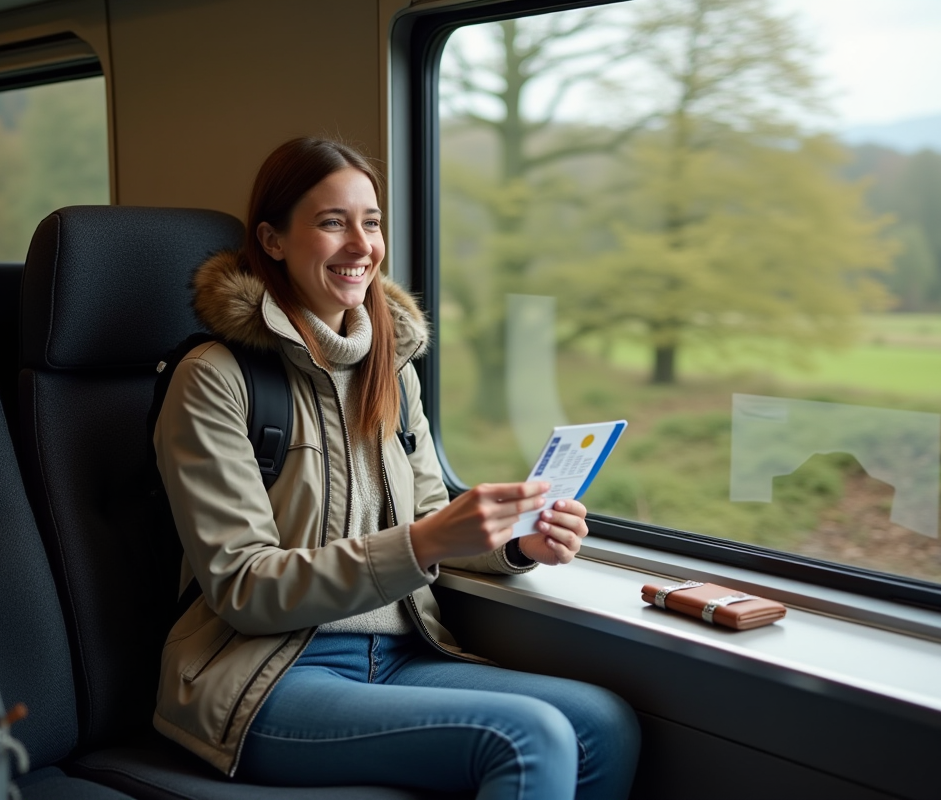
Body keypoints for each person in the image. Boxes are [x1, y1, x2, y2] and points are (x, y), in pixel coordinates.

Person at [151, 136, 640, 799]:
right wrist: (427, 541)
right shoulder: (214, 379)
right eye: (332, 222)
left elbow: (431, 519)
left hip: (404, 651)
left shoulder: (391, 369)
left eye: (370, 222)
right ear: (272, 240)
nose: (361, 245)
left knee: (604, 725)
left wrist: (514, 541)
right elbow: (244, 586)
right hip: (266, 675)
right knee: (532, 738)